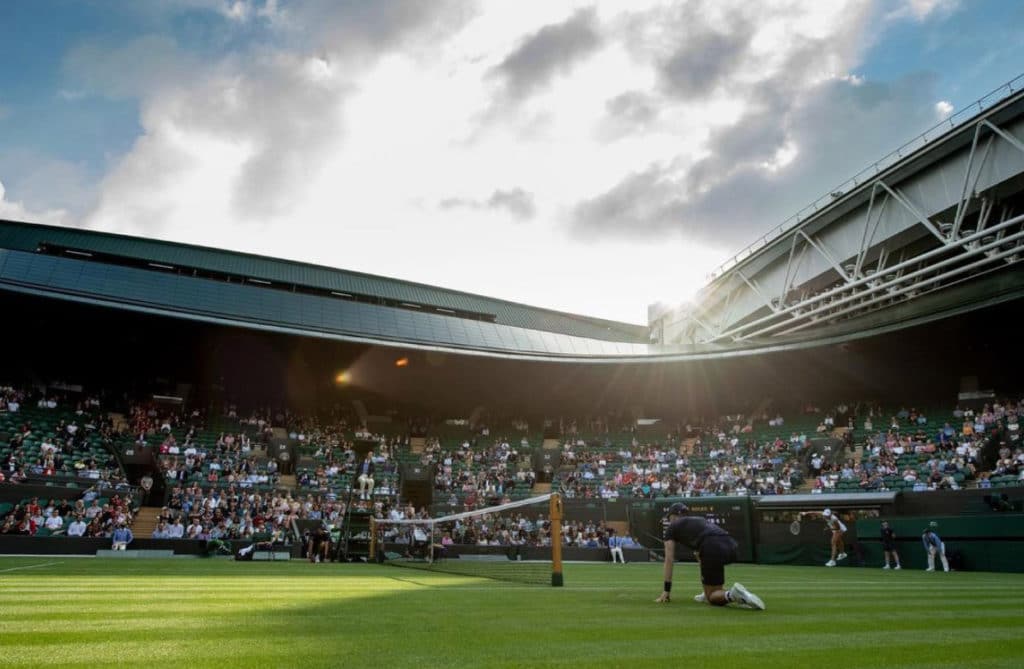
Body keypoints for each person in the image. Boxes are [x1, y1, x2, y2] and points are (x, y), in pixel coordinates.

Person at [655, 503, 764, 610]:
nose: (669, 520)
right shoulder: (699, 520)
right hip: (731, 546)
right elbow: (699, 556)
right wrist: (706, 584)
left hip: (711, 547)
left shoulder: (672, 527)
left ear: (674, 515)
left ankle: (734, 594)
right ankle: (712, 592)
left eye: (669, 517)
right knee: (714, 587)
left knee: (711, 597)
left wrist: (666, 590)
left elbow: (669, 559)